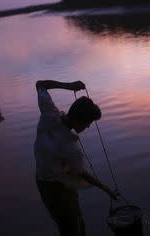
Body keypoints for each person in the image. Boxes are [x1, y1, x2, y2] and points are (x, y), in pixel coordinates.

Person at [34, 80, 119, 236]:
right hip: (57, 189)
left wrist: (70, 86)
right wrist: (106, 189)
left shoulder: (49, 114)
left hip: (42, 180)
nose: (88, 127)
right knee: (72, 228)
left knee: (74, 223)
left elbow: (40, 84)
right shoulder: (71, 150)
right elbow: (81, 172)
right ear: (79, 120)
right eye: (88, 123)